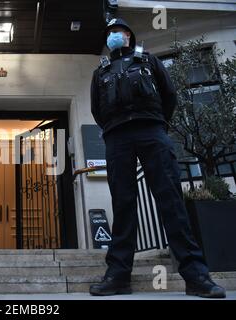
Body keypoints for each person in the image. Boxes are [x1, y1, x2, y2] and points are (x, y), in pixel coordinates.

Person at [89, 18, 225, 298]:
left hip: (151, 131)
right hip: (117, 137)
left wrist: (156, 124)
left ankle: (196, 275)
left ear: (128, 35)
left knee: (171, 201)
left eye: (117, 32)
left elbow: (169, 96)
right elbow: (96, 109)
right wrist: (115, 128)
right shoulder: (100, 72)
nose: (112, 36)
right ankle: (118, 275)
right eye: (109, 33)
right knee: (123, 205)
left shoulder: (149, 61)